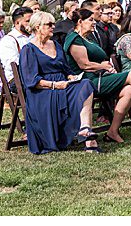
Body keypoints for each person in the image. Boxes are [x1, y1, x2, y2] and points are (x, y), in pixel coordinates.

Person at [63, 8, 131, 143]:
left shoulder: (87, 39)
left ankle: (112, 132)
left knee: (129, 90)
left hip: (99, 76)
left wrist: (104, 64)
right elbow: (84, 65)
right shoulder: (74, 39)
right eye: (91, 20)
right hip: (87, 81)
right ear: (80, 22)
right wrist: (103, 66)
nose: (94, 23)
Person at [18, 11, 100, 154]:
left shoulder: (55, 44)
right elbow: (31, 81)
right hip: (42, 92)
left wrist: (70, 77)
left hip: (62, 85)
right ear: (37, 27)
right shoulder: (28, 49)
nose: (53, 27)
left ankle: (85, 129)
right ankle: (88, 139)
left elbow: (66, 69)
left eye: (53, 24)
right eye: (49, 24)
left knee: (86, 84)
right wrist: (55, 85)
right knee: (81, 88)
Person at [0, 6, 34, 91]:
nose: (31, 24)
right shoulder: (8, 40)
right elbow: (13, 64)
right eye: (28, 21)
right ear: (17, 22)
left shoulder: (34, 36)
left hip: (34, 75)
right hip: (17, 79)